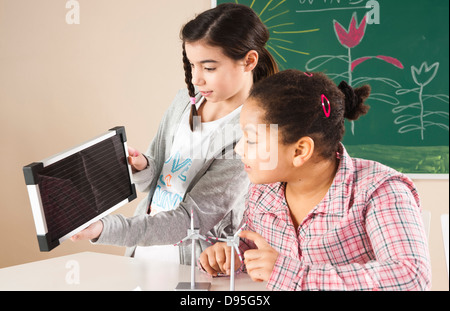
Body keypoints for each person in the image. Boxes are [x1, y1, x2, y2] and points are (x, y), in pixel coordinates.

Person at [71, 3, 278, 265]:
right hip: (143, 254)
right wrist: (142, 166)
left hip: (194, 268)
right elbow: (156, 182)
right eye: (193, 65)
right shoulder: (184, 102)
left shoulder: (254, 133)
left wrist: (104, 228)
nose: (197, 79)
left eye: (209, 68)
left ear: (249, 61)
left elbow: (192, 220)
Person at [199, 69, 432, 290]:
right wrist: (233, 255)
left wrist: (289, 274)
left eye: (251, 140)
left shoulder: (380, 191)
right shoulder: (264, 191)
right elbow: (257, 246)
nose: (239, 150)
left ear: (300, 151)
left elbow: (410, 277)